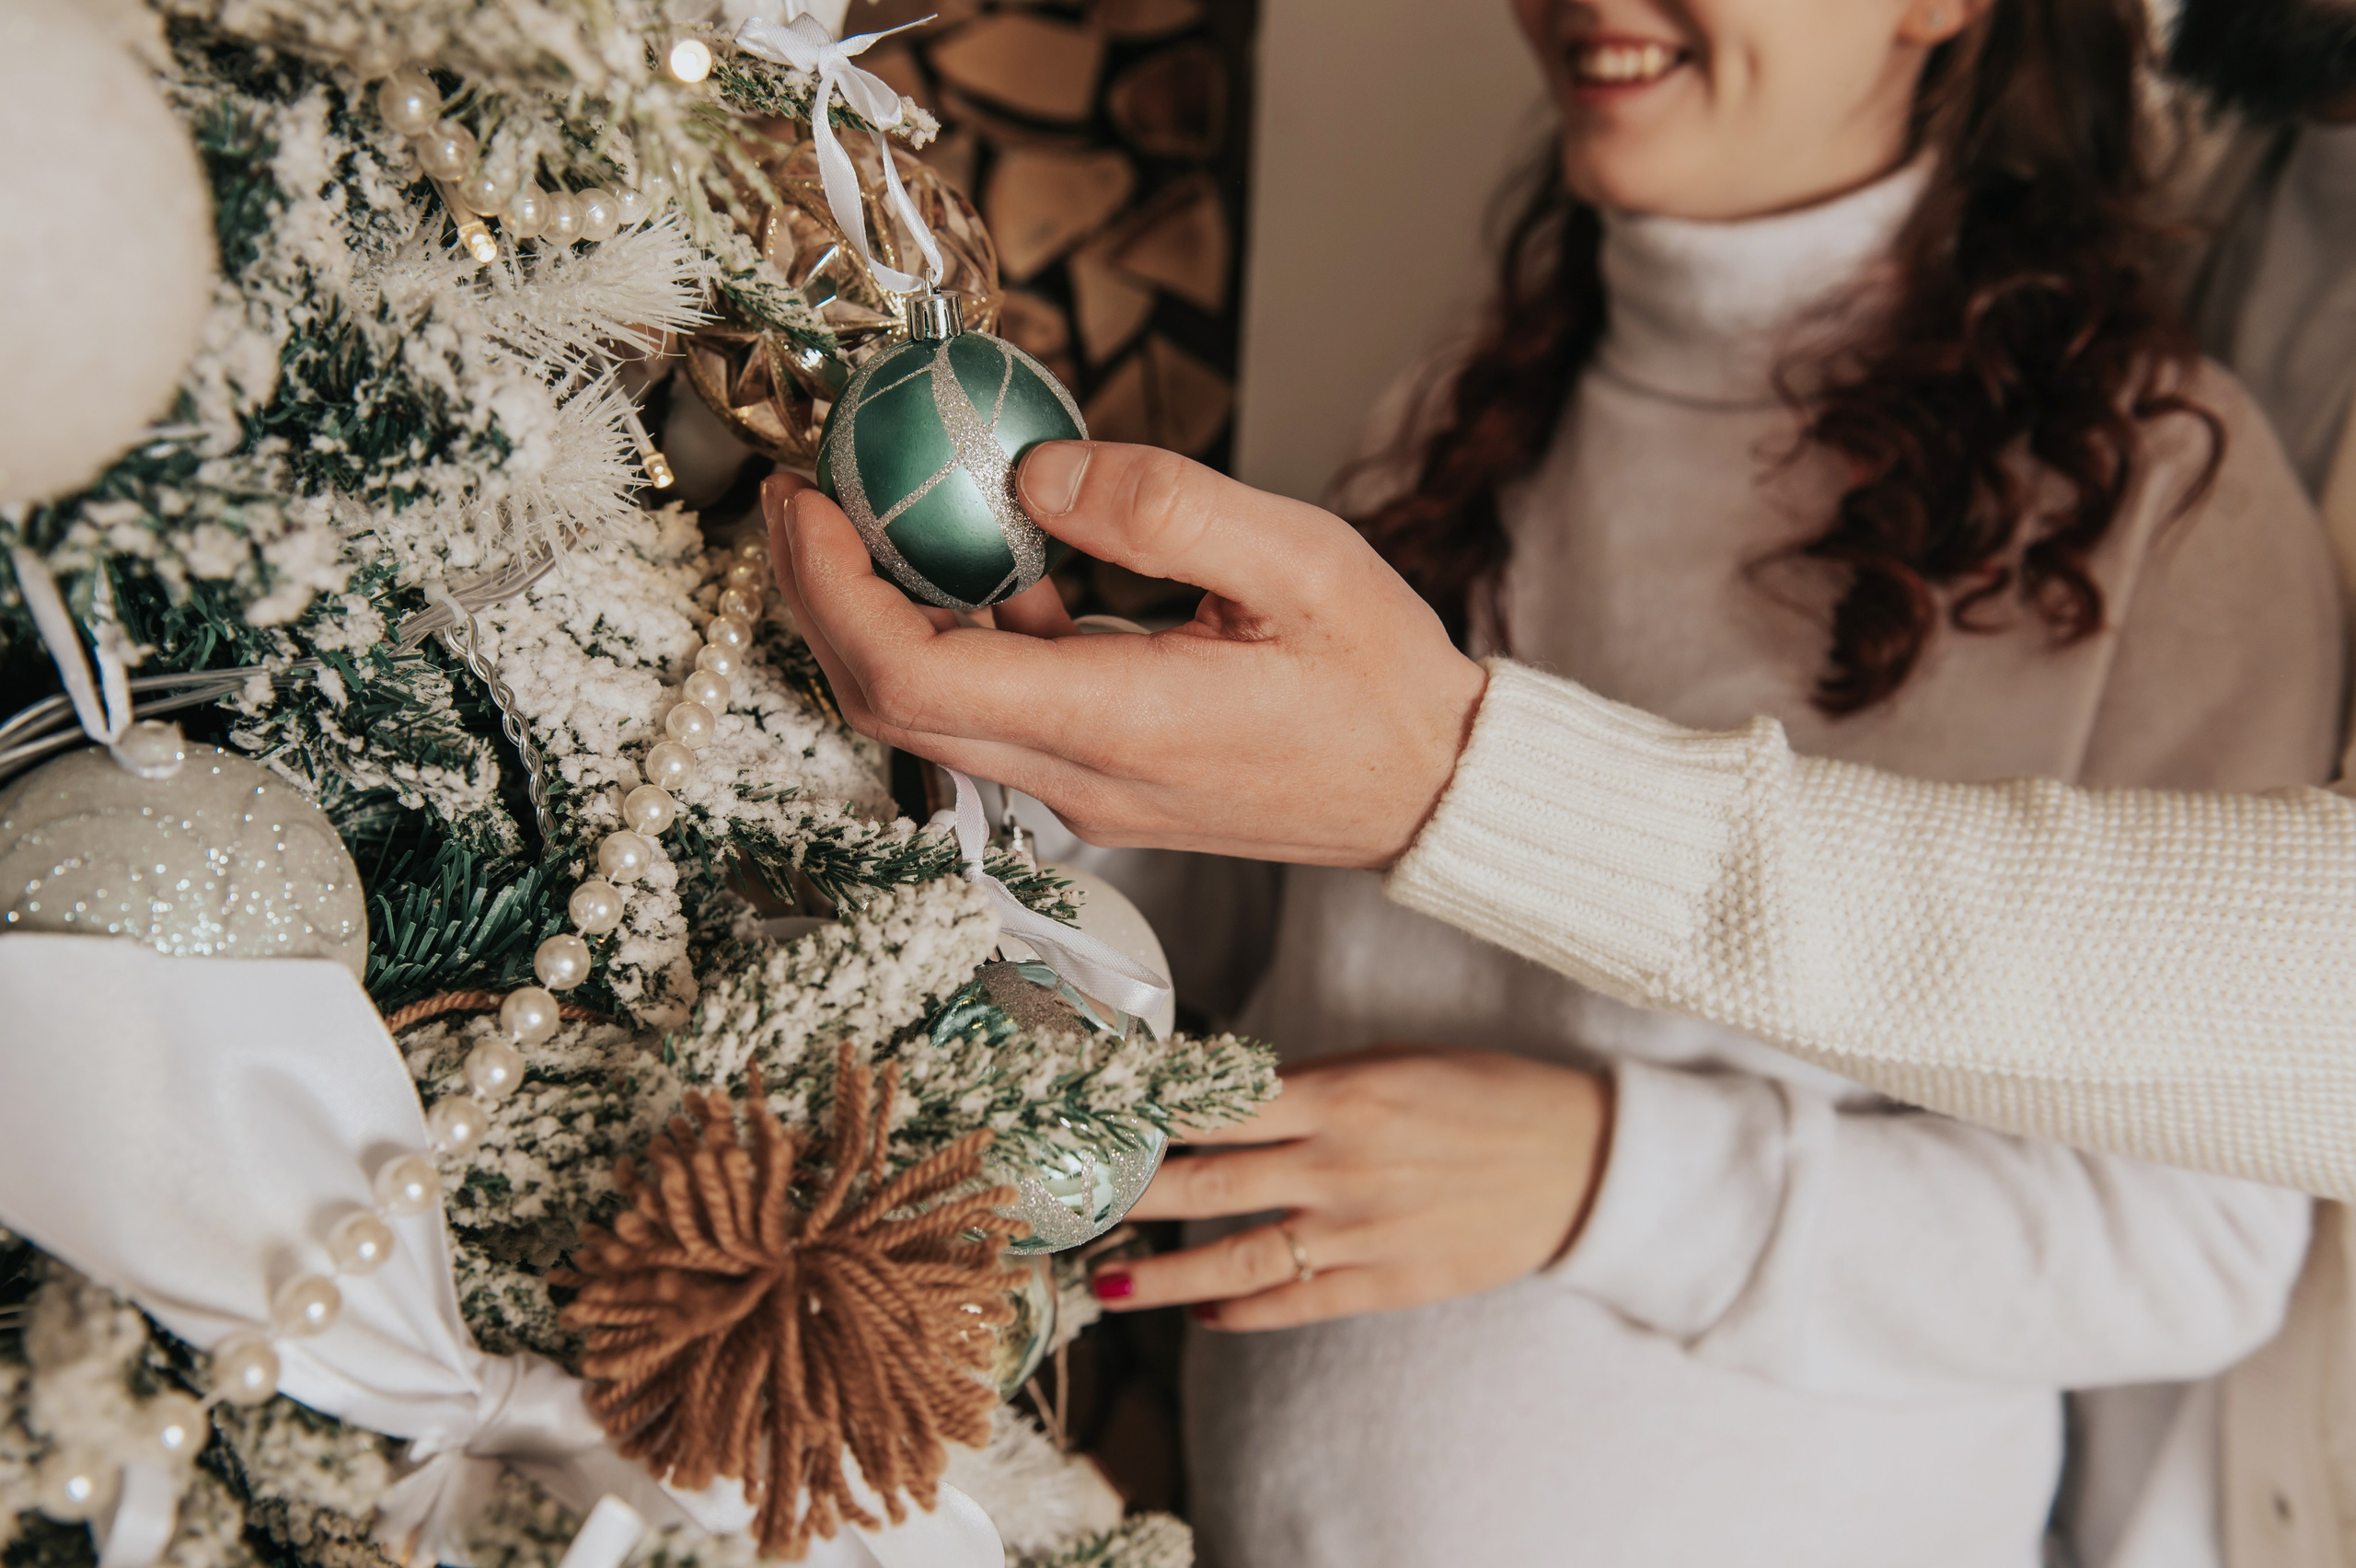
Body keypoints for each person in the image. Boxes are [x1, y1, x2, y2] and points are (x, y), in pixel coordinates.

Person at [779, 0, 2347, 1562]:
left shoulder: (2163, 494)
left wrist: (1612, 1177)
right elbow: (1255, 951)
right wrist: (1048, 755)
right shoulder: (1468, 405)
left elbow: (2197, 1243)